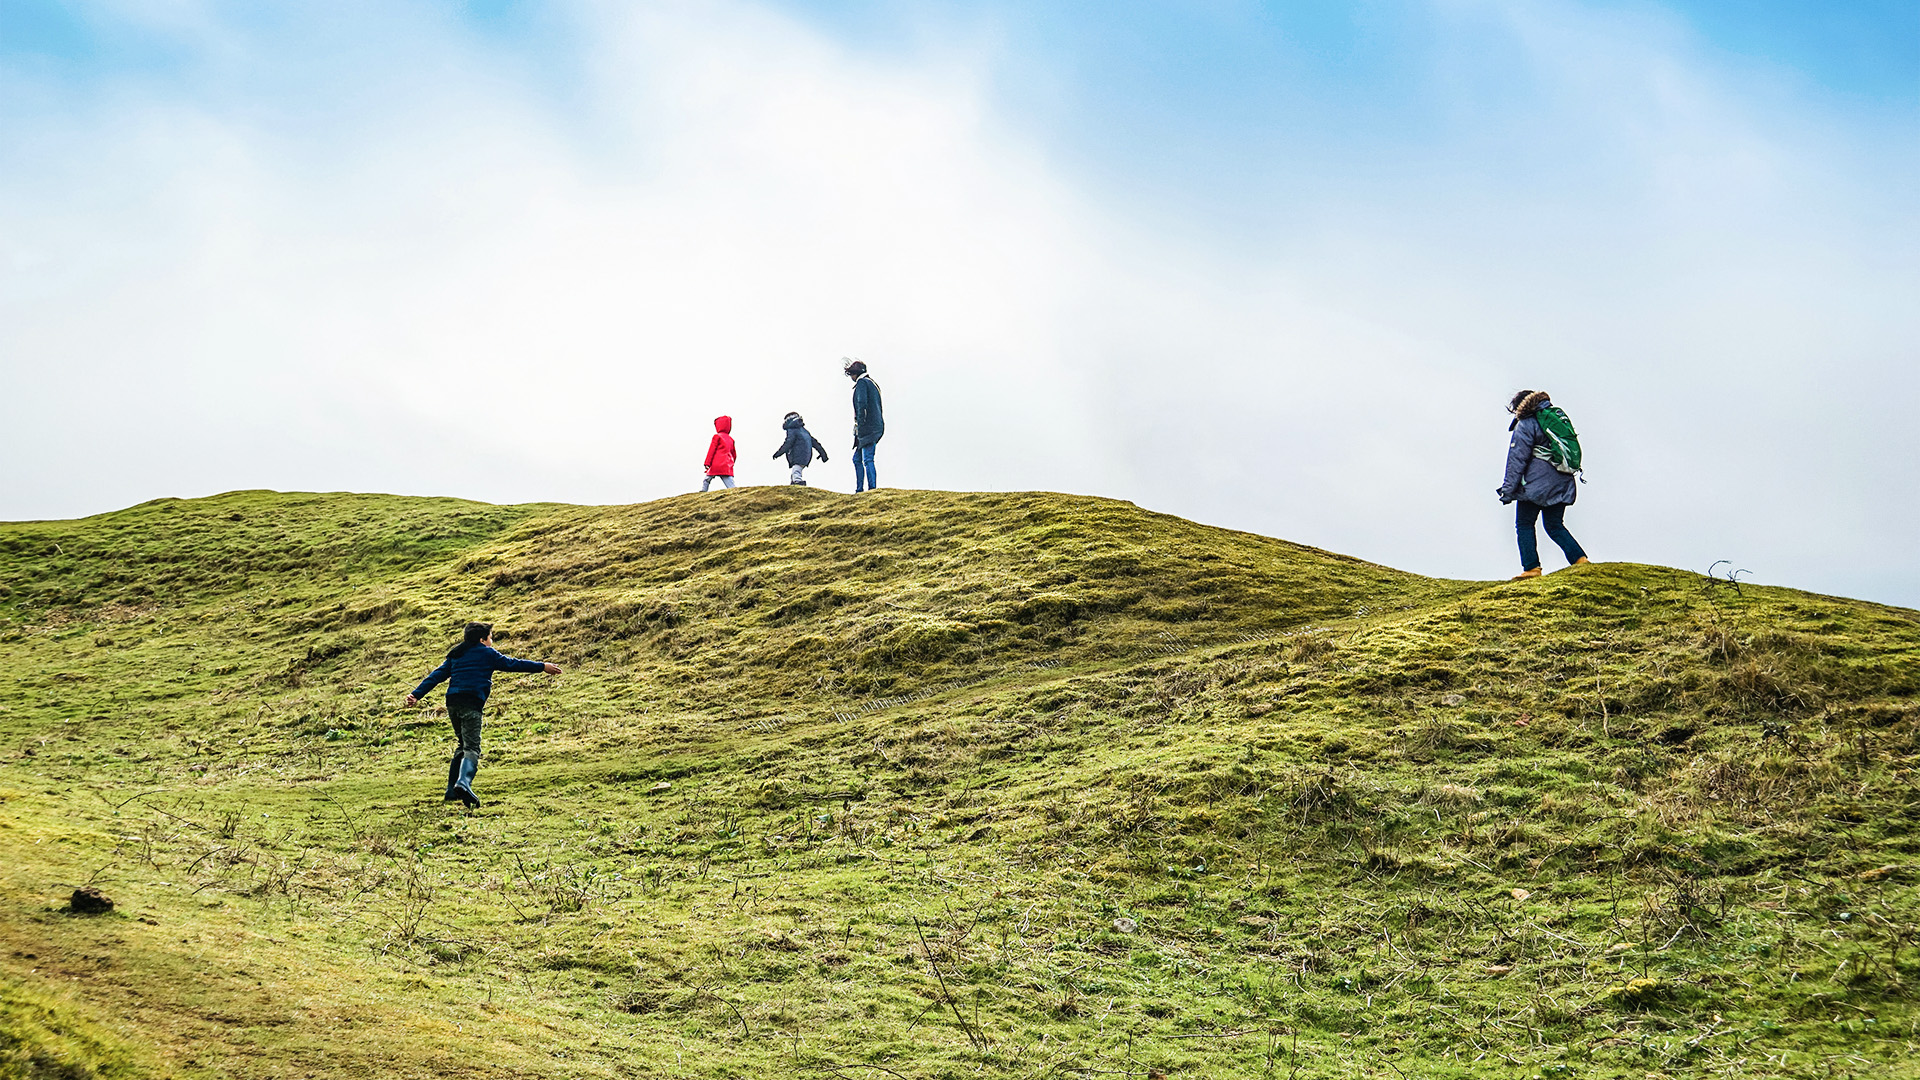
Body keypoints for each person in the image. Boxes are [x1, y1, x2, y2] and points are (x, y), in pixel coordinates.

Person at [405, 622, 561, 807]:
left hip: (453, 703)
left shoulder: (456, 654)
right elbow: (513, 664)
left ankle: (450, 791)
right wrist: (542, 666)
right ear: (482, 639)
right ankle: (463, 782)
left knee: (462, 745)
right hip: (471, 702)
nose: (491, 641)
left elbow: (436, 676)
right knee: (472, 748)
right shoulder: (487, 654)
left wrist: (416, 694)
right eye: (491, 637)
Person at [1497, 390, 1591, 580]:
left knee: (1524, 524)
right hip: (1562, 482)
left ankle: (1532, 568)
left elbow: (1517, 460)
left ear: (1519, 407)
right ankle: (1580, 560)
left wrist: (1508, 491)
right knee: (1555, 524)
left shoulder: (1526, 424)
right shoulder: (1553, 420)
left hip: (1535, 486)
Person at [845, 358, 884, 491]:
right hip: (875, 426)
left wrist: (860, 425)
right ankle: (862, 488)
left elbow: (862, 405)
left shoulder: (862, 383)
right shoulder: (873, 384)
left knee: (867, 459)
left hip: (867, 428)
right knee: (859, 458)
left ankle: (868, 488)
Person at [773, 411, 829, 486]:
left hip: (797, 455)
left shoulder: (792, 430)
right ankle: (794, 483)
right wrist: (823, 454)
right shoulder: (805, 431)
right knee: (795, 470)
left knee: (796, 470)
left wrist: (778, 453)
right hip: (806, 455)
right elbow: (816, 443)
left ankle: (798, 483)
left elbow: (788, 443)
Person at [701, 415, 737, 491]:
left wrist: (707, 463)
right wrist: (732, 463)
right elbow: (734, 454)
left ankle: (703, 491)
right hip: (726, 465)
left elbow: (711, 451)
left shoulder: (717, 437)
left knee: (706, 480)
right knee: (729, 481)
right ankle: (735, 491)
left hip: (716, 464)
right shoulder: (731, 439)